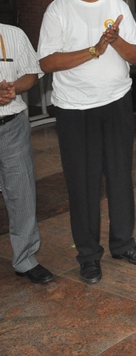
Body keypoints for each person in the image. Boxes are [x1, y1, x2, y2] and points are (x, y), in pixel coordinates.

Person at [39, 0, 136, 284]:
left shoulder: (117, 6)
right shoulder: (58, 10)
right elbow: (47, 61)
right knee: (83, 184)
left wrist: (114, 41)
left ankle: (123, 244)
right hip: (75, 110)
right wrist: (94, 50)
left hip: (116, 103)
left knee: (120, 177)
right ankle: (88, 255)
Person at [0, 24, 53, 284]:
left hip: (11, 125)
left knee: (22, 193)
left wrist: (13, 89)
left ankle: (25, 259)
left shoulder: (13, 34)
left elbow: (31, 74)